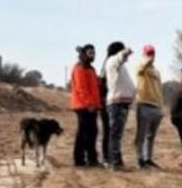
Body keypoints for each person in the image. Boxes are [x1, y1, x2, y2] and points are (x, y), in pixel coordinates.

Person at [69, 44, 102, 167]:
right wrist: (89, 104)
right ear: (84, 54)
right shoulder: (79, 68)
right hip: (83, 106)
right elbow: (82, 89)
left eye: (94, 53)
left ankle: (91, 158)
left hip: (92, 106)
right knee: (83, 133)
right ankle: (79, 160)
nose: (93, 56)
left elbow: (95, 86)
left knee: (92, 132)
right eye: (90, 53)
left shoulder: (91, 69)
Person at [103, 41, 135, 170]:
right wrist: (126, 50)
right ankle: (115, 163)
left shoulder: (119, 65)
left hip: (121, 103)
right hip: (117, 103)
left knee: (117, 134)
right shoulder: (112, 61)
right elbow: (119, 57)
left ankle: (116, 161)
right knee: (115, 134)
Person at [134, 44, 163, 169]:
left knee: (151, 135)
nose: (151, 56)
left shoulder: (157, 71)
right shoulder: (140, 66)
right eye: (148, 53)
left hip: (156, 106)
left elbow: (159, 88)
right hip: (144, 103)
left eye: (152, 53)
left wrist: (161, 106)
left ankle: (148, 158)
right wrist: (147, 61)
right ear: (144, 54)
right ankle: (140, 159)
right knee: (141, 135)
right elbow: (140, 70)